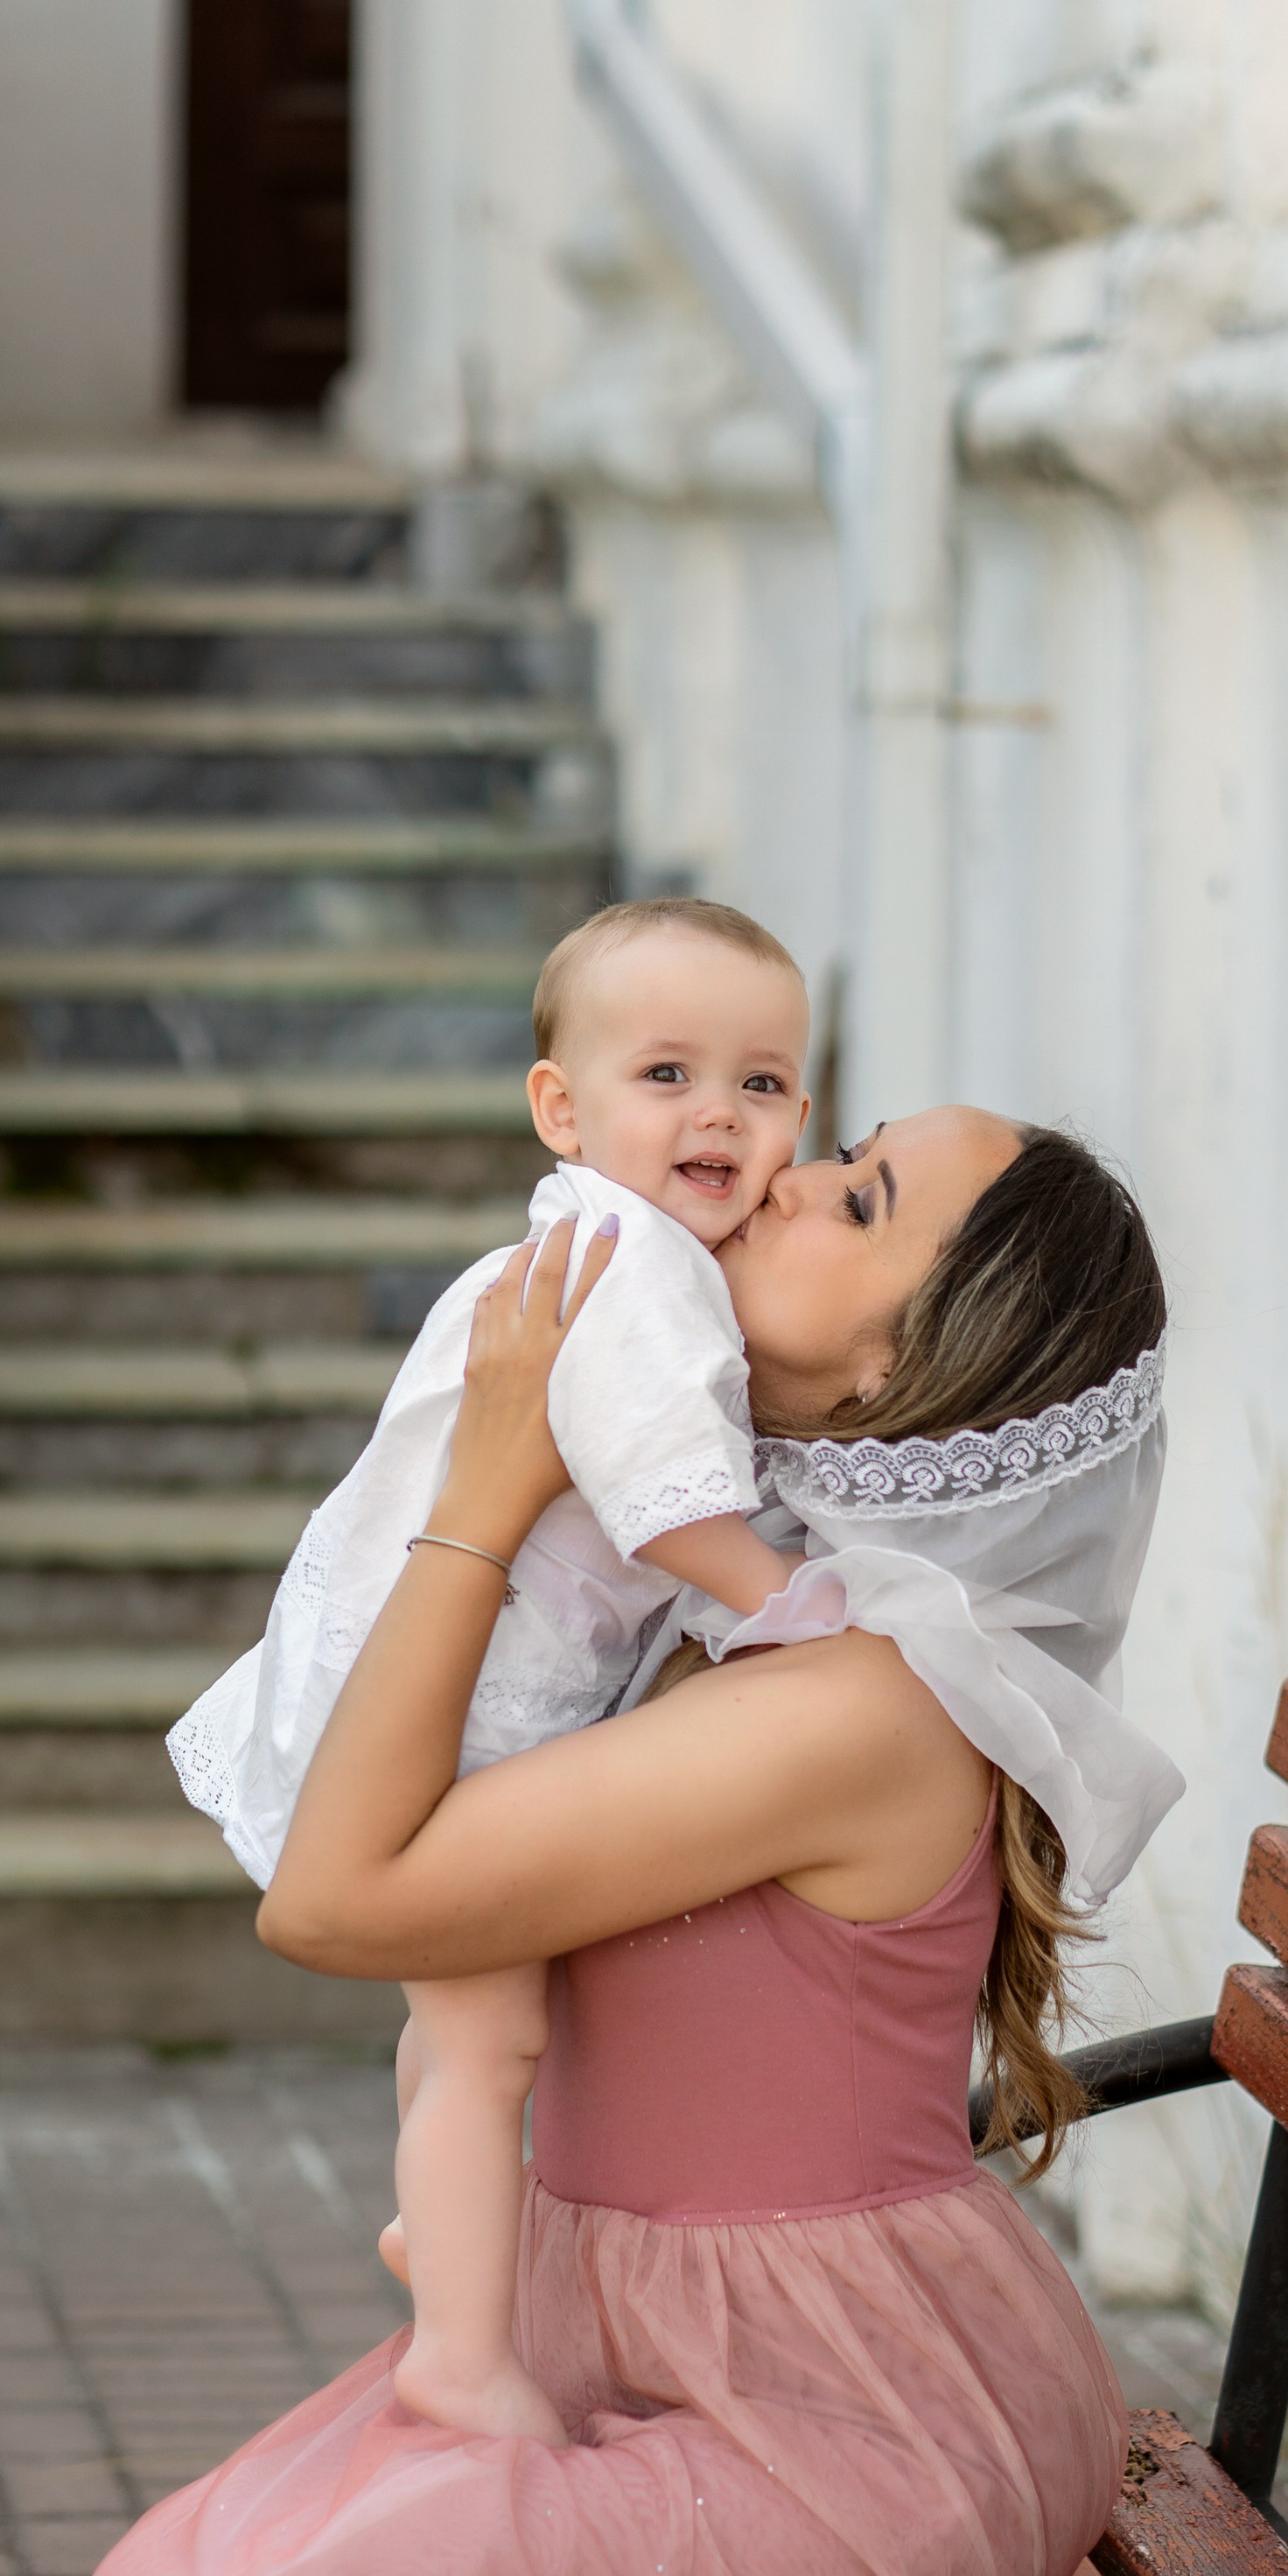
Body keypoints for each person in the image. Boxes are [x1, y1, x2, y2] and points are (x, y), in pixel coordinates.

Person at [0, 1108, 1180, 2576]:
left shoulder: (850, 1700)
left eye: (855, 1199)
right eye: (828, 1145)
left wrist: (481, 1489)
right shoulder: (713, 1599)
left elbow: (344, 1895)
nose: (778, 1177)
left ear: (912, 1372)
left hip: (852, 2435)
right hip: (661, 2353)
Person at [170, 898, 812, 2444]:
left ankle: (429, 2222)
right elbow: (672, 1504)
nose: (721, 1111)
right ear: (562, 1107)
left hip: (433, 1675)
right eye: (667, 1074)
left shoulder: (610, 1246)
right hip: (466, 1714)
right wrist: (795, 1604)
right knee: (488, 2043)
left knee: (456, 2033)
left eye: (769, 1082)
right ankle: (459, 2352)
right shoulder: (635, 1264)